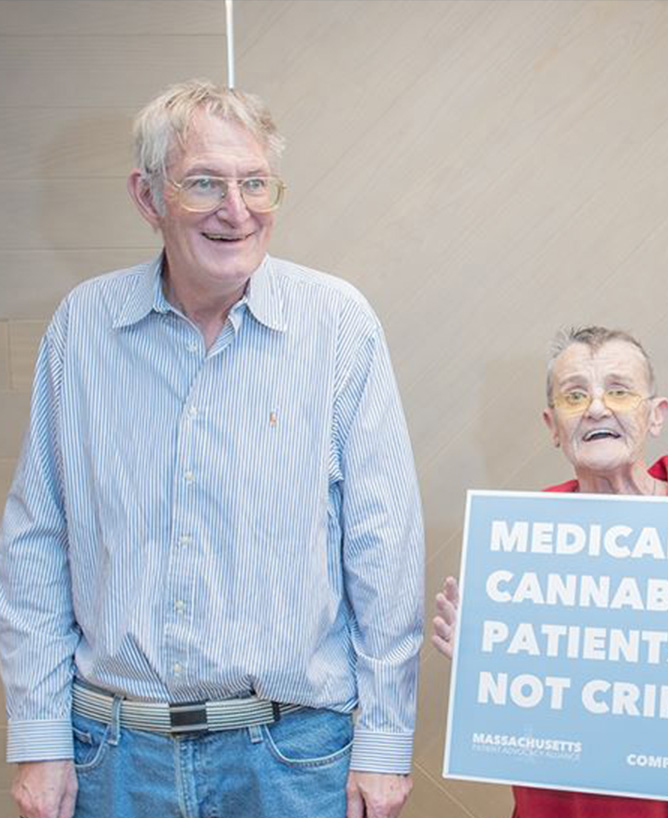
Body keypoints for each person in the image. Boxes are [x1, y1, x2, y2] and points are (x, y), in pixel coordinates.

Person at [0, 79, 424, 818]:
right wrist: (40, 739)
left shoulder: (337, 325)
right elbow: (37, 539)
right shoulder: (82, 327)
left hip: (291, 761)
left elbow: (383, 549)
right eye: (204, 184)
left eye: (255, 182)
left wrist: (385, 743)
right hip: (113, 761)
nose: (237, 210)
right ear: (147, 196)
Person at [433, 325, 668, 818]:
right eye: (575, 395)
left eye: (618, 390)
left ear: (655, 415)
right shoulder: (518, 543)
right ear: (552, 426)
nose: (596, 407)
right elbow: (523, 720)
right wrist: (487, 661)